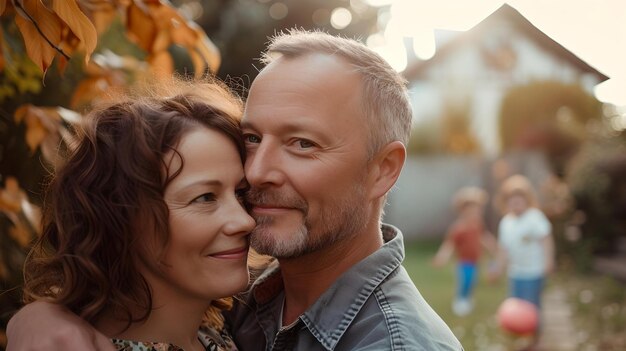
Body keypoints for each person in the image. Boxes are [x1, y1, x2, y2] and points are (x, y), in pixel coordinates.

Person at [8, 29, 462, 350]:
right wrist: (41, 318)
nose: (258, 171)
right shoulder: (237, 299)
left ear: (383, 170)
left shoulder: (392, 343)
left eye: (302, 144)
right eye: (252, 138)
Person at [16, 78, 256, 350]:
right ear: (120, 217)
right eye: (204, 198)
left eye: (240, 193)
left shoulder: (229, 328)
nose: (245, 221)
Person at [490, 174, 555, 344]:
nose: (515, 203)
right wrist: (498, 268)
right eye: (511, 200)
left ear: (527, 200)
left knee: (532, 306)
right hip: (515, 272)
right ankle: (522, 336)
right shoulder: (506, 223)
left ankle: (536, 340)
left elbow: (546, 239)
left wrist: (548, 260)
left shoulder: (534, 217)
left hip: (534, 271)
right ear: (505, 202)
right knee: (518, 306)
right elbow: (503, 250)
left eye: (519, 200)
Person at [432, 187, 495, 316]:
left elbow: (483, 237)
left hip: (476, 261)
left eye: (477, 210)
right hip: (463, 262)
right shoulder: (459, 228)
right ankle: (460, 302)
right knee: (464, 281)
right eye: (471, 210)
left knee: (472, 281)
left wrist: (492, 246)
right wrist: (442, 257)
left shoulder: (477, 224)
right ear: (462, 211)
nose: (475, 213)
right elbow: (449, 245)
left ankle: (468, 300)